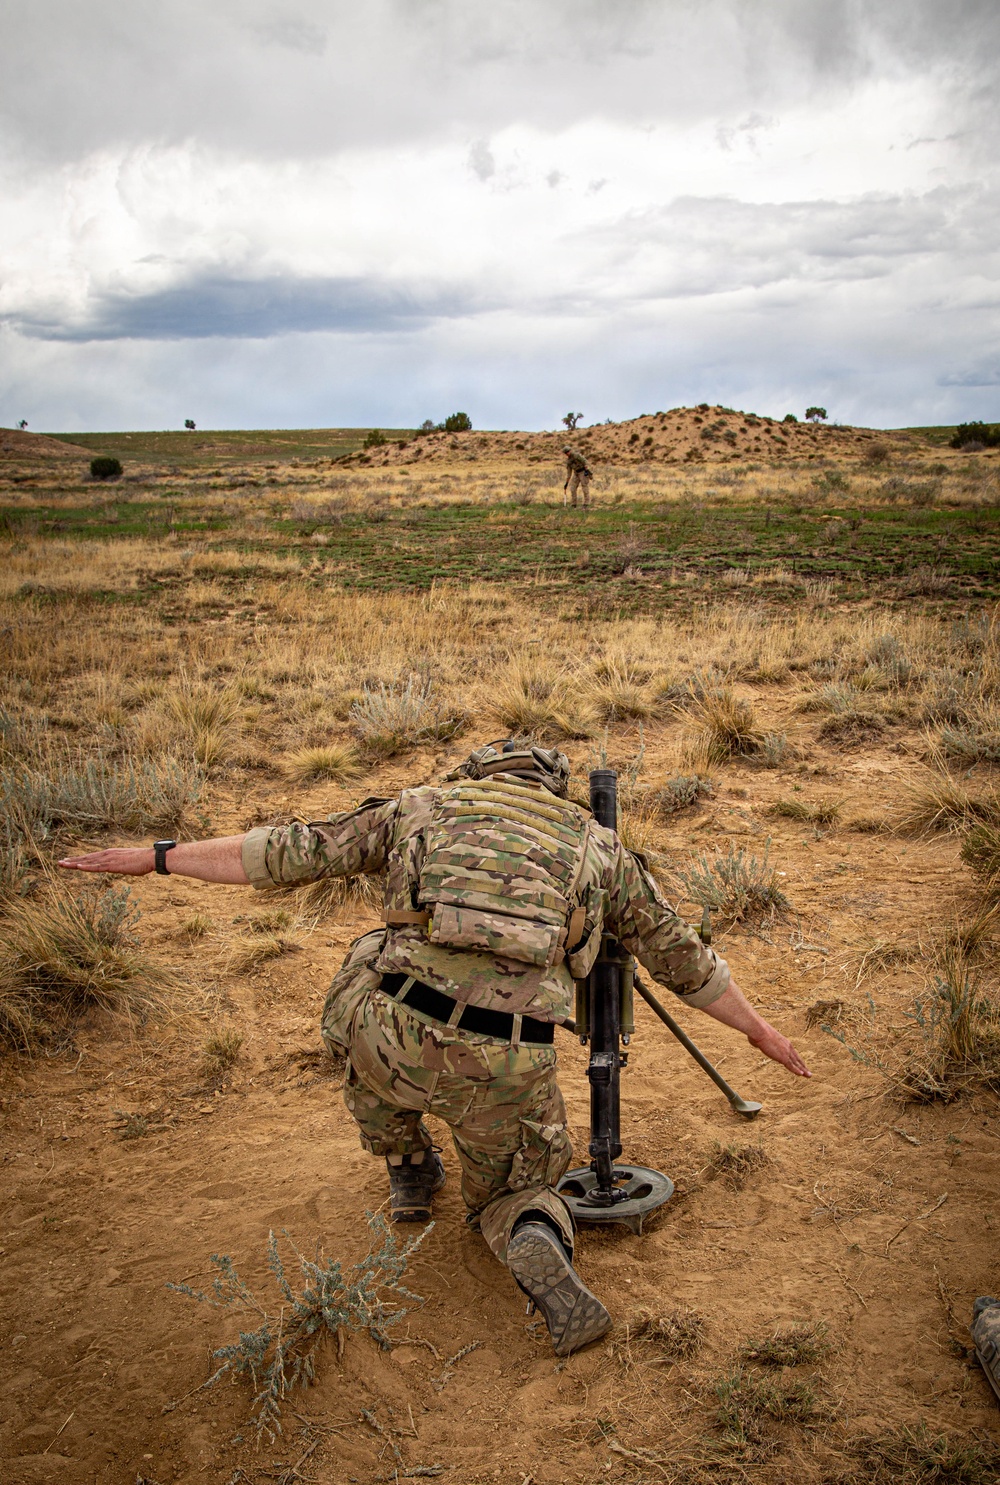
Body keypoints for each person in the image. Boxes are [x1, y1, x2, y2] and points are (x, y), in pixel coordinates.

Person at [59, 742, 811, 1356]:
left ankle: (405, 1159)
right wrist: (759, 1029)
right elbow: (682, 956)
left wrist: (159, 855)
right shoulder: (598, 847)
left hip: (392, 1033)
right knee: (520, 1185)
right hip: (505, 1061)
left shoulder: (421, 805)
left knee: (366, 971)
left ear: (480, 776)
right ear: (558, 794)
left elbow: (287, 851)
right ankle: (529, 1228)